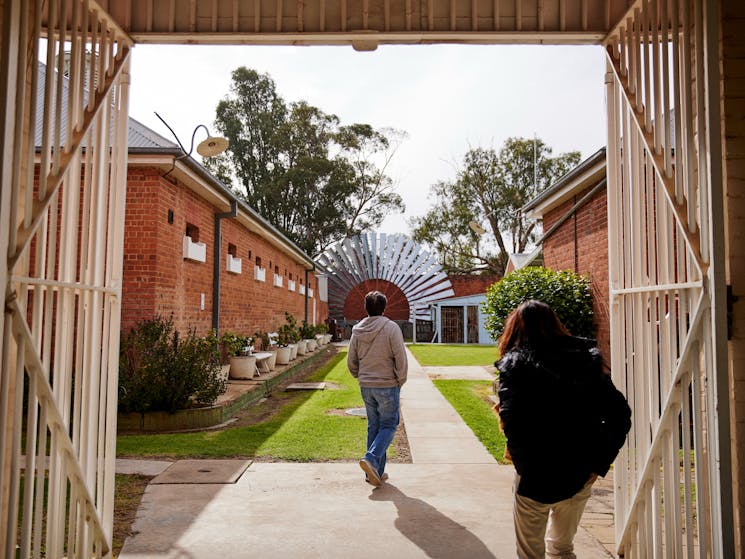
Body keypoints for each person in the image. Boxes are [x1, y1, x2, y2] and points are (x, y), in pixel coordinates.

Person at [496, 300, 631, 559]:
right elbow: (619, 416)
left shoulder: (516, 366)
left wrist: (525, 466)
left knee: (529, 554)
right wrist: (597, 463)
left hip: (535, 476)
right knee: (562, 549)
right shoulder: (585, 361)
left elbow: (512, 420)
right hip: (579, 472)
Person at [347, 290, 408, 486]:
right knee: (389, 425)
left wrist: (359, 375)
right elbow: (400, 357)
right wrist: (401, 379)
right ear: (384, 307)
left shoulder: (357, 330)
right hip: (387, 384)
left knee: (374, 427)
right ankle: (371, 459)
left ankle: (375, 474)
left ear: (366, 308)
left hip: (366, 386)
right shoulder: (391, 328)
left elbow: (351, 360)